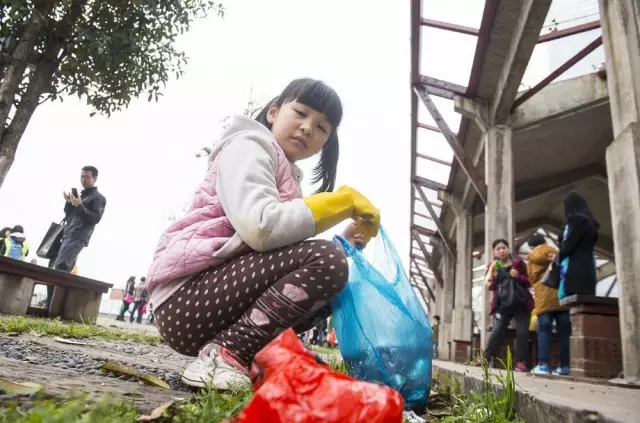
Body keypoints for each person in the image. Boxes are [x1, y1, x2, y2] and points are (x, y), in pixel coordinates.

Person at [146, 78, 380, 390]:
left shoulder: (284, 173)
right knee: (326, 260)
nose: (308, 127)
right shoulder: (248, 146)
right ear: (272, 112)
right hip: (186, 297)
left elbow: (283, 254)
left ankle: (249, 356)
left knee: (336, 278)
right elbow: (261, 228)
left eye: (322, 127)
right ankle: (223, 355)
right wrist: (341, 202)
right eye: (300, 112)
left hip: (212, 301)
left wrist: (345, 243)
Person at [482, 239, 534, 372]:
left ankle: (521, 362)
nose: (501, 250)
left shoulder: (518, 263)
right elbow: (490, 286)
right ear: (494, 252)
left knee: (522, 332)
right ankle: (485, 359)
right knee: (497, 330)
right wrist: (494, 278)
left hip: (521, 302)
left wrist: (518, 276)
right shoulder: (493, 266)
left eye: (503, 247)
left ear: (508, 249)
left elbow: (529, 282)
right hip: (503, 304)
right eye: (498, 248)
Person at [527, 234, 571, 376]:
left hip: (543, 298)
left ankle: (544, 365)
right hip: (561, 296)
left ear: (532, 247)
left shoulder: (532, 257)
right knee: (564, 332)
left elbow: (531, 278)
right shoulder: (556, 252)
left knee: (544, 331)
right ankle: (564, 366)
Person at [52, 166, 107, 272]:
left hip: (78, 237)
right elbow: (69, 216)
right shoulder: (82, 196)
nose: (83, 179)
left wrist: (79, 205)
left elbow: (95, 219)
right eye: (81, 177)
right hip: (68, 234)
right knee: (61, 267)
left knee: (60, 267)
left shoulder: (98, 198)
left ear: (95, 179)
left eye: (87, 177)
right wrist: (69, 203)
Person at [558, 192, 599, 300]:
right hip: (588, 268)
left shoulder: (578, 220)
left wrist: (558, 256)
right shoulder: (590, 222)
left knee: (576, 306)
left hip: (576, 270)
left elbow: (570, 244)